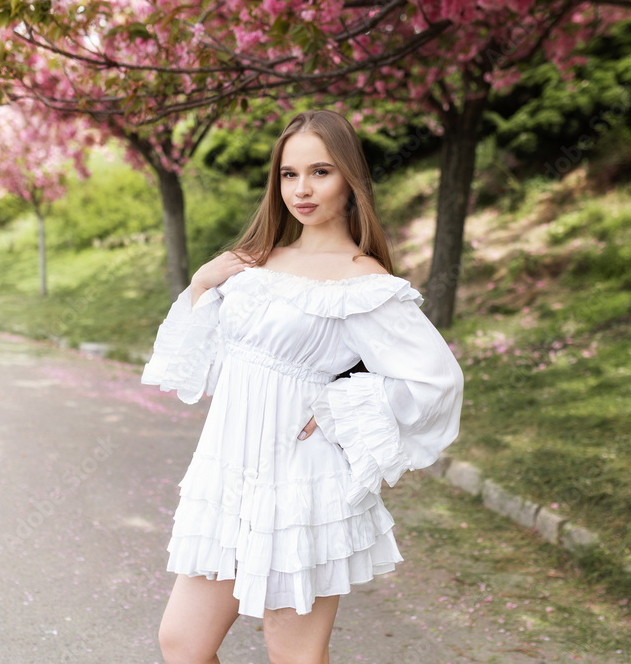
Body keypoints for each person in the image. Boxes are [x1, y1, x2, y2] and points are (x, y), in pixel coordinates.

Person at [141, 109, 464, 664]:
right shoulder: (255, 263)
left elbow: (437, 381)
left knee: (292, 655)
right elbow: (206, 366)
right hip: (227, 473)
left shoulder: (362, 281)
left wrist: (341, 406)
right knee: (182, 644)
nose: (302, 189)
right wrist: (201, 283)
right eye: (289, 174)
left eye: (321, 171)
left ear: (350, 180)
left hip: (301, 484)